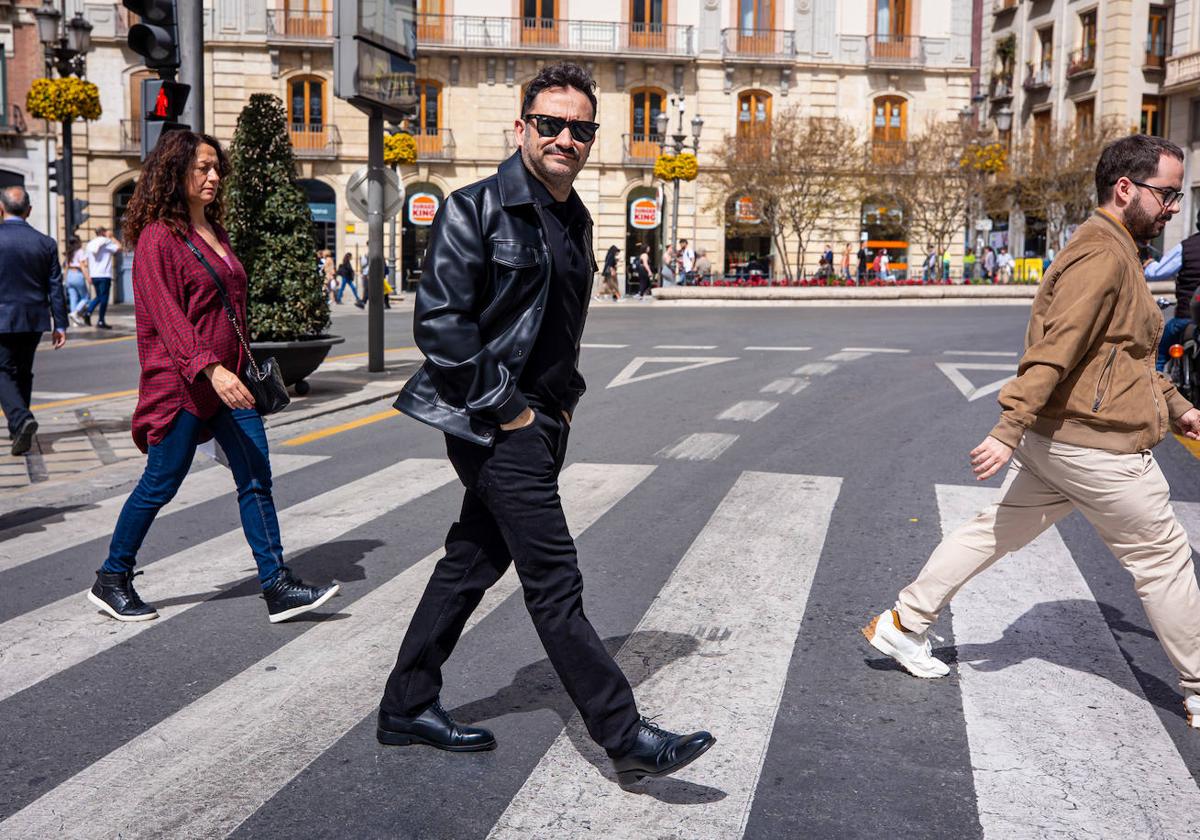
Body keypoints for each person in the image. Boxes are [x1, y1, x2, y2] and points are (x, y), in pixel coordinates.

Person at [380, 62, 714, 784]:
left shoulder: (576, 218)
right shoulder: (473, 209)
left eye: (581, 128)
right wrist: (512, 411)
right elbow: (440, 326)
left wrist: (561, 404)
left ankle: (407, 702)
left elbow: (559, 326)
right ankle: (623, 734)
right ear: (522, 127)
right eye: (552, 124)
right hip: (492, 421)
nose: (567, 137)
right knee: (554, 578)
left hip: (541, 420)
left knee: (470, 562)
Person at [862, 134, 1200, 731]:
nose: (1173, 207)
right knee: (1164, 560)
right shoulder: (1103, 256)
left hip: (1061, 444)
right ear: (1127, 189)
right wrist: (1007, 426)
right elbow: (1055, 349)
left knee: (993, 530)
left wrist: (1177, 408)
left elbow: (1124, 356)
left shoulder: (1113, 249)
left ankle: (901, 624)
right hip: (1098, 447)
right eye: (1167, 193)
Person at [88, 130, 339, 624]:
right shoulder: (160, 236)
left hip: (232, 380)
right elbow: (167, 316)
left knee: (255, 476)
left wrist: (237, 368)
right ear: (174, 172)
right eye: (202, 168)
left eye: (216, 168)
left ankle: (277, 585)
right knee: (161, 483)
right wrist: (211, 369)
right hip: (183, 383)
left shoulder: (215, 232)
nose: (213, 177)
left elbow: (229, 310)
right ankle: (112, 577)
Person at [0, 186, 68, 456]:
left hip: (2, 317)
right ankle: (19, 430)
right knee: (23, 371)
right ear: (29, 210)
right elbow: (55, 286)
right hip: (34, 318)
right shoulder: (45, 242)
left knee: (2, 371)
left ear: (1, 210)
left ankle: (20, 419)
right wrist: (60, 323)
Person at [1144, 210, 1200, 371]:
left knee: (1158, 356)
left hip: (1186, 318)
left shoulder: (1186, 247)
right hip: (1189, 320)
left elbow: (1157, 273)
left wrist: (1149, 265)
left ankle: (1153, 391)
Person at [84, 225, 122, 329]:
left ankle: (88, 313)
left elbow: (85, 260)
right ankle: (100, 320)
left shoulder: (90, 244)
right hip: (104, 274)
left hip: (94, 275)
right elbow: (119, 247)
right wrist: (112, 237)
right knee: (103, 298)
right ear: (103, 232)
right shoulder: (107, 243)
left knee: (99, 296)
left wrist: (88, 274)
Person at [64, 235, 91, 326]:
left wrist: (65, 279)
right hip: (77, 274)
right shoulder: (80, 252)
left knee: (73, 298)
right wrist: (88, 277)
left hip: (70, 276)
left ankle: (75, 321)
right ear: (78, 242)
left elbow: (66, 267)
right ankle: (75, 313)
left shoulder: (69, 253)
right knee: (86, 297)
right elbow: (83, 266)